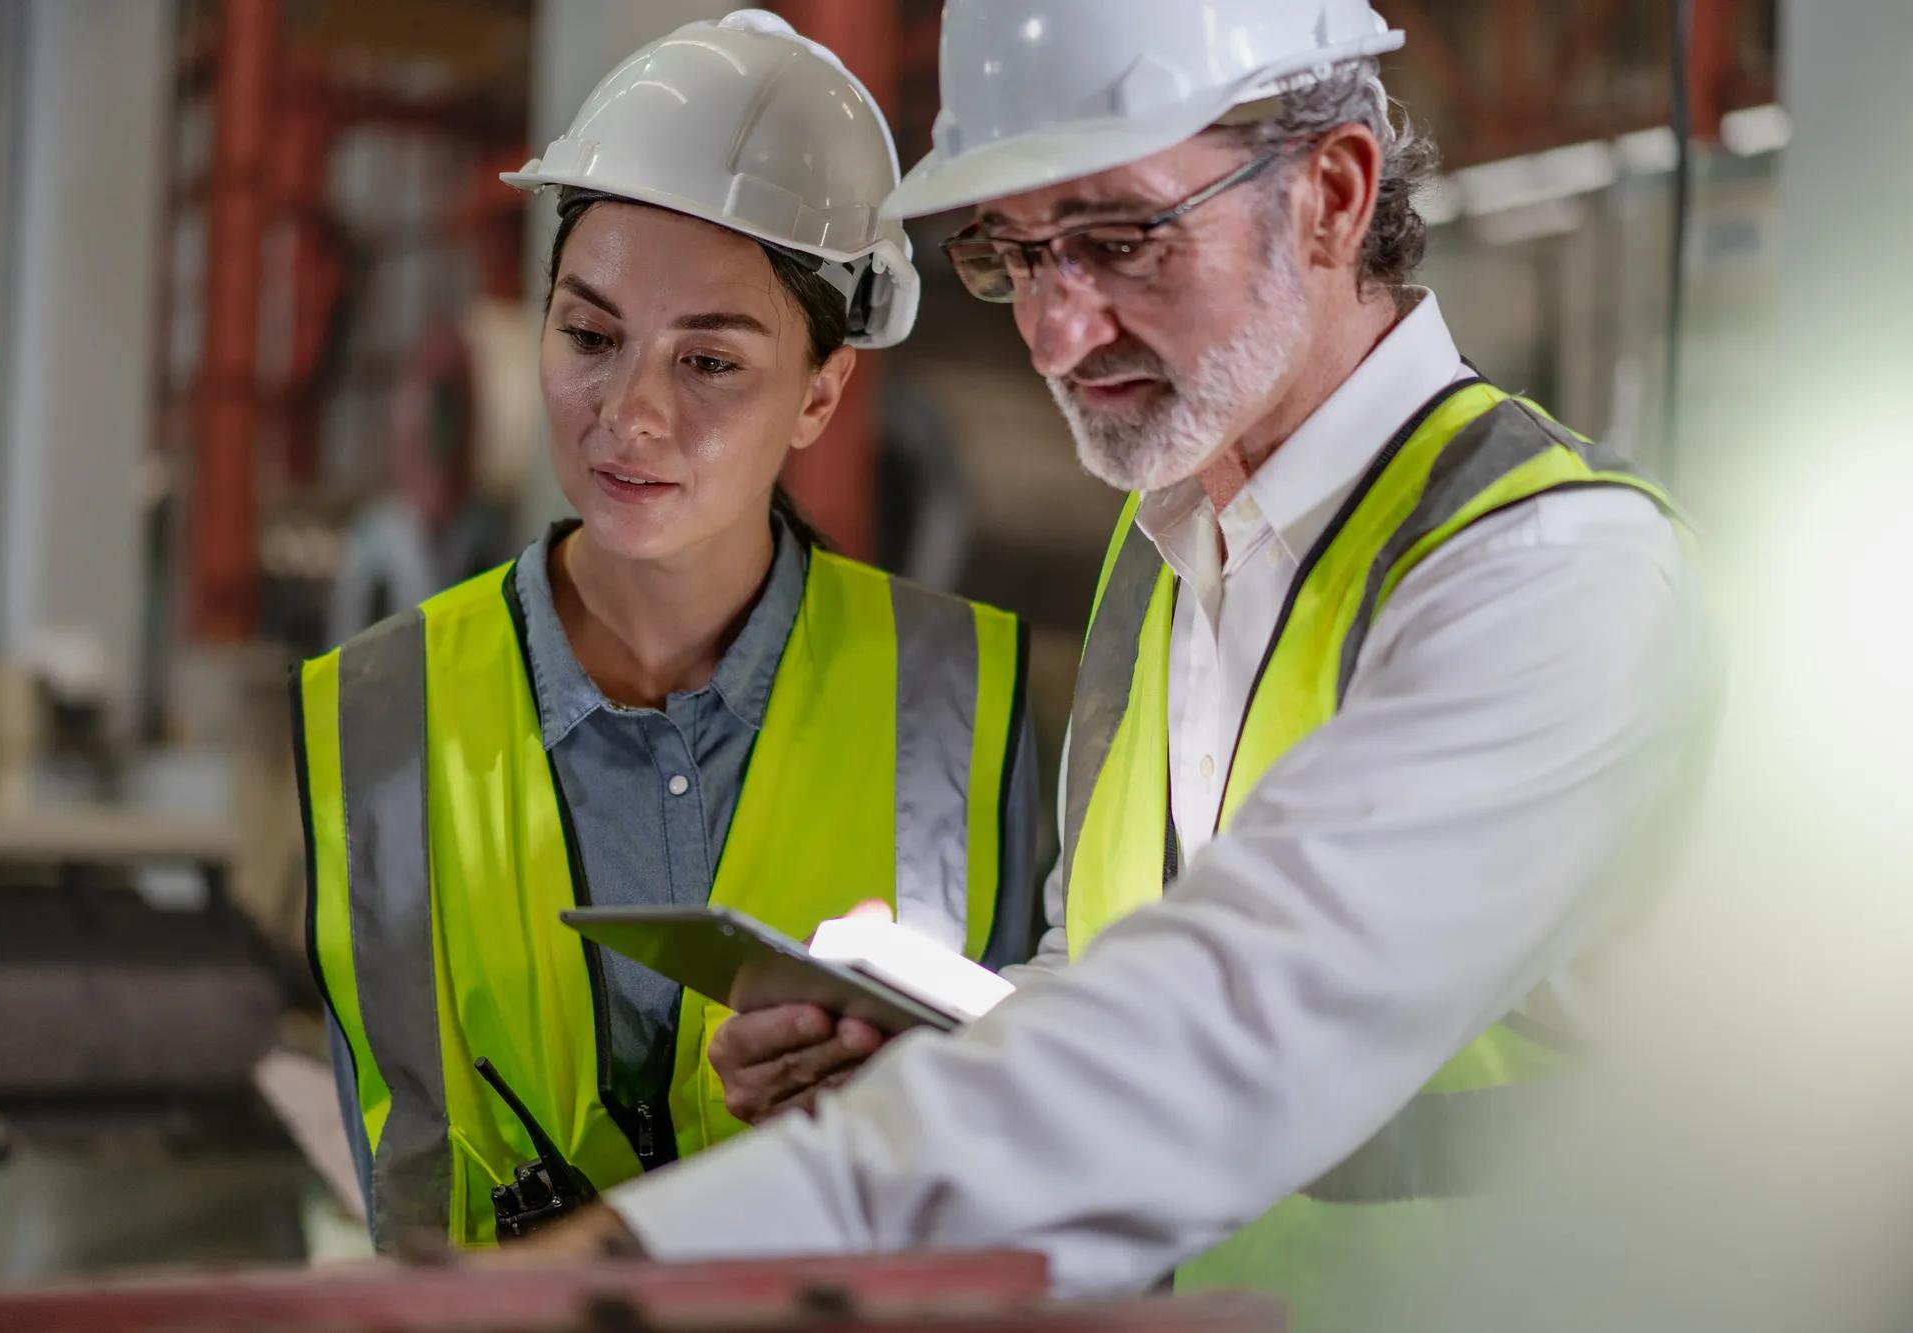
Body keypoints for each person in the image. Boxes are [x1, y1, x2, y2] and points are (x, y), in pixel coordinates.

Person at [509, 0, 1714, 1325]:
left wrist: (634, 1265)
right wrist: (928, 1059)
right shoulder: (1168, 557)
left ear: (1331, 193)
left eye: (1120, 240)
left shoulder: (1549, 579)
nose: (1057, 333)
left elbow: (1225, 1022)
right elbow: (1121, 978)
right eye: (1015, 256)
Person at [292, 9, 1039, 1252]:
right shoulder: (377, 707)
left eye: (708, 364)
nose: (627, 416)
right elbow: (408, 1169)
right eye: (589, 336)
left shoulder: (963, 695)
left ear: (819, 392)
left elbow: (1021, 1123)